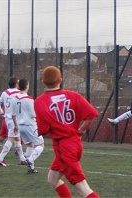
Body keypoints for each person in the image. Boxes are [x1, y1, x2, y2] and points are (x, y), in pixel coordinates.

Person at [34, 66, 100, 198]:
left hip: (63, 147)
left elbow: (43, 130)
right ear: (60, 80)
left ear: (43, 81)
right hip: (75, 142)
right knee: (52, 178)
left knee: (83, 188)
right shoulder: (73, 95)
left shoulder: (40, 101)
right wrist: (80, 130)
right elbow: (92, 114)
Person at [11, 78, 44, 173]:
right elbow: (34, 114)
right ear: (26, 86)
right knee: (40, 144)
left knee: (30, 144)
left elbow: (13, 114)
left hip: (20, 126)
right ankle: (30, 159)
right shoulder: (29, 100)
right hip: (30, 125)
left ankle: (31, 167)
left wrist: (16, 126)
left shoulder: (14, 98)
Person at [0, 77, 27, 166]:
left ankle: (22, 158)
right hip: (15, 119)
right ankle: (0, 158)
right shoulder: (18, 93)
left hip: (7, 118)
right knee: (11, 138)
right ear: (16, 84)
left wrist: (2, 113)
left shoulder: (5, 93)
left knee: (17, 138)